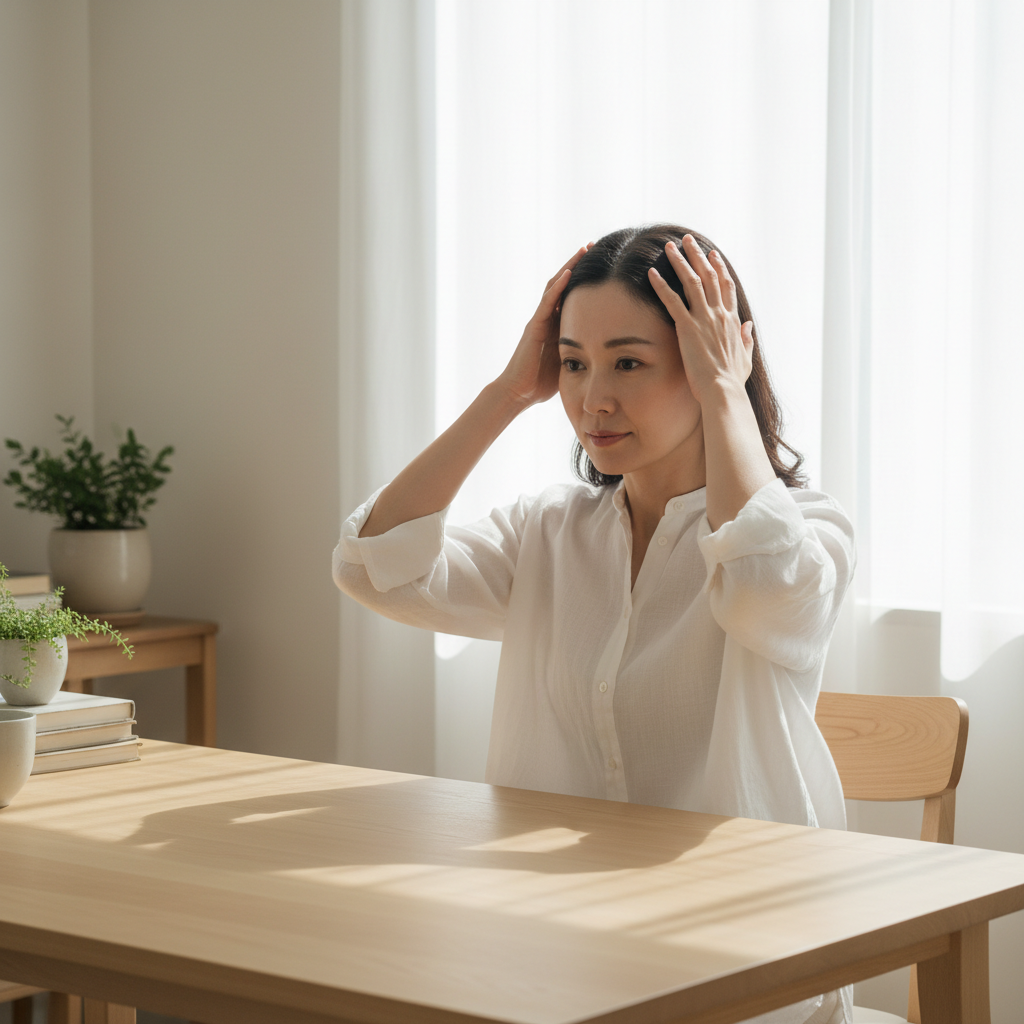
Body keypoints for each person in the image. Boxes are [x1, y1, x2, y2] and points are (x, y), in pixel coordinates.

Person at [333, 225, 855, 1024]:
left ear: (714, 356)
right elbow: (374, 568)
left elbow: (761, 591)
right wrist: (509, 392)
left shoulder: (810, 531)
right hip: (556, 940)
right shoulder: (548, 531)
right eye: (573, 362)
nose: (592, 399)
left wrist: (725, 391)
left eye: (629, 362)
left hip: (745, 951)